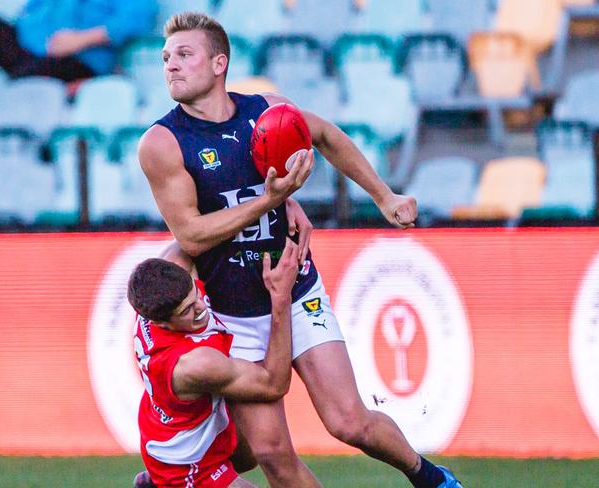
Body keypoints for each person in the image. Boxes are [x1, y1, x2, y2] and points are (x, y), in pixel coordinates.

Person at [137, 11, 463, 488]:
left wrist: (383, 195)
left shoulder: (268, 113)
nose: (171, 65)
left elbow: (326, 135)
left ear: (219, 63)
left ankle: (432, 477)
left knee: (349, 422)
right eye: (166, 58)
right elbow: (191, 236)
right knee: (268, 451)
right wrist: (271, 200)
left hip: (297, 288)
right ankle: (179, 474)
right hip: (230, 313)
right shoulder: (162, 143)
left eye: (184, 55)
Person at [128, 237, 300, 488]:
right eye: (187, 311)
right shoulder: (194, 364)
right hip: (187, 463)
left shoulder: (170, 280)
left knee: (254, 452)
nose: (200, 307)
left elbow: (193, 237)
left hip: (186, 424)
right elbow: (273, 384)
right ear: (162, 324)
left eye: (195, 293)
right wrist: (281, 298)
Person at [0, 0, 158, 81]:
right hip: (33, 49)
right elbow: (29, 13)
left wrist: (80, 40)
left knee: (28, 77)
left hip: (79, 59)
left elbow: (140, 14)